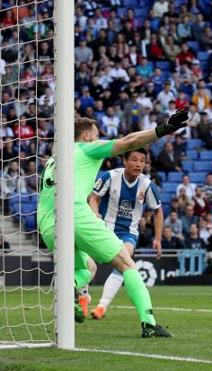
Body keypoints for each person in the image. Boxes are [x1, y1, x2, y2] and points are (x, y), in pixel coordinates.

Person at [37, 111, 187, 337]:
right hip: (74, 213)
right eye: (97, 135)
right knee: (127, 264)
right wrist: (163, 129)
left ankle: (70, 292)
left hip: (47, 223)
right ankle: (149, 323)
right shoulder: (86, 148)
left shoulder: (53, 159)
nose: (100, 139)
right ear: (86, 136)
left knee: (86, 268)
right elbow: (129, 141)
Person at [88, 148, 164, 321]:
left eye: (142, 161)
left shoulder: (147, 185)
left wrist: (158, 238)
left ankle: (101, 306)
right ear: (125, 161)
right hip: (104, 228)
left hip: (128, 233)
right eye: (135, 160)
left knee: (124, 261)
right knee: (87, 262)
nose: (138, 164)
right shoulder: (110, 176)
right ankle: (83, 296)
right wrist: (95, 215)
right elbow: (93, 198)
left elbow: (158, 211)